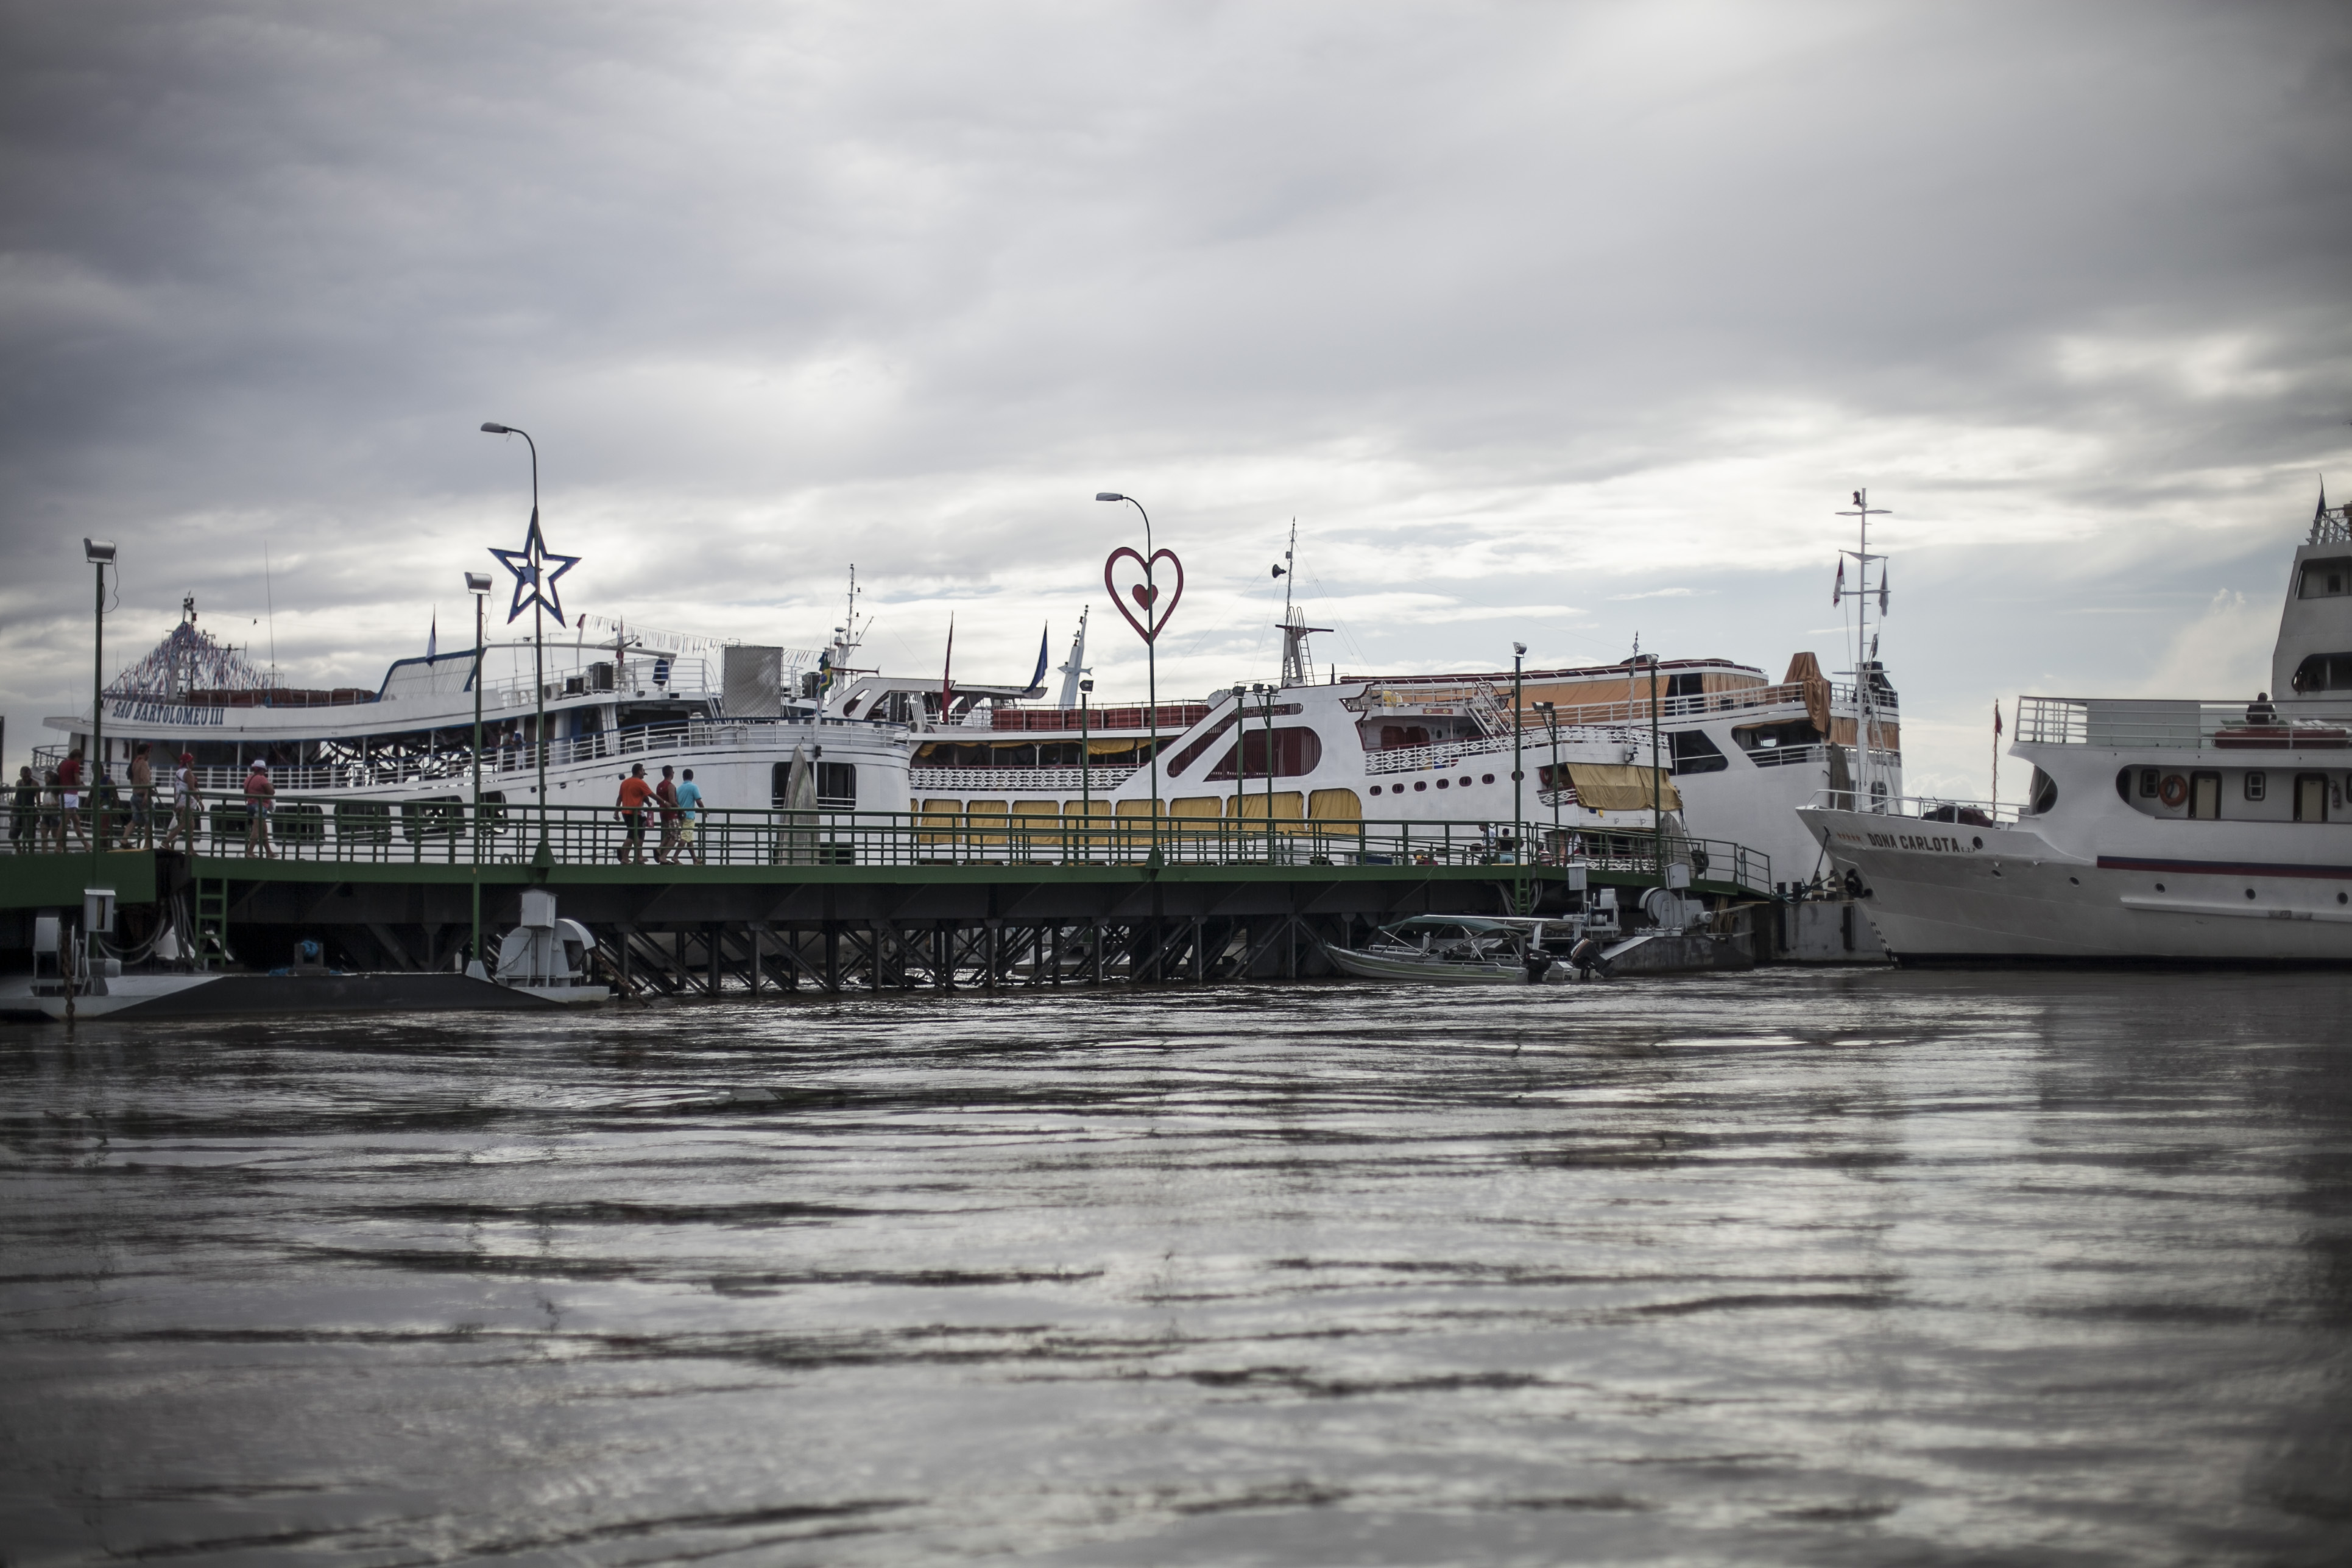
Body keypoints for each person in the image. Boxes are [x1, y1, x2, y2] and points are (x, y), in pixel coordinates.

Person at [615, 763, 654, 863]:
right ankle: (625, 855)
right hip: (634, 813)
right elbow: (650, 795)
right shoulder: (639, 782)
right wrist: (664, 803)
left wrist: (616, 812)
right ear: (639, 772)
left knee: (638, 833)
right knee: (633, 834)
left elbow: (620, 797)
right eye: (643, 772)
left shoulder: (625, 783)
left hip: (629, 812)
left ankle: (638, 855)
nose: (644, 775)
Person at [243, 759, 276, 858]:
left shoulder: (248, 779)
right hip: (260, 807)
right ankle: (249, 852)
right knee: (256, 830)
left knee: (264, 830)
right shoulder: (262, 779)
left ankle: (269, 852)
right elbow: (271, 792)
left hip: (250, 806)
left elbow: (246, 793)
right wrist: (270, 786)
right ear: (262, 770)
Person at [124, 743, 154, 849]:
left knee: (135, 819)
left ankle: (124, 839)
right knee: (149, 821)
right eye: (149, 752)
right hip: (142, 796)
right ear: (146, 752)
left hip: (135, 794)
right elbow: (145, 779)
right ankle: (147, 844)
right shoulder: (143, 763)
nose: (149, 754)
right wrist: (147, 794)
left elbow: (133, 779)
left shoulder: (134, 763)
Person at [171, 752, 202, 854]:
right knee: (183, 824)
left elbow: (176, 789)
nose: (194, 763)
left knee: (191, 826)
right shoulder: (188, 773)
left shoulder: (178, 772)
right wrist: (200, 802)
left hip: (180, 802)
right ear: (188, 762)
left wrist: (176, 803)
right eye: (192, 761)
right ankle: (166, 841)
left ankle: (190, 849)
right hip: (187, 803)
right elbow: (192, 789)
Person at [56, 748, 87, 851]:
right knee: (65, 822)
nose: (80, 762)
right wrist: (82, 785)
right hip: (71, 795)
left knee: (76, 822)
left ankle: (86, 844)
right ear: (77, 757)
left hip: (63, 794)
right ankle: (58, 846)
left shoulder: (63, 764)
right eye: (80, 759)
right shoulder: (74, 765)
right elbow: (77, 782)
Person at [675, 767, 705, 864]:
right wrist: (704, 811)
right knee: (685, 837)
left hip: (681, 817)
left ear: (683, 777)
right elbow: (698, 801)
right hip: (689, 816)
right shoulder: (693, 787)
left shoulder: (679, 789)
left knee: (690, 839)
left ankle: (695, 860)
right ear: (692, 777)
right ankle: (675, 857)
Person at [654, 765, 682, 864]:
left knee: (669, 835)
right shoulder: (671, 786)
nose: (674, 773)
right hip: (671, 814)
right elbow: (673, 802)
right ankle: (663, 856)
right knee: (676, 836)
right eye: (673, 772)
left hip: (662, 812)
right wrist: (681, 810)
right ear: (671, 774)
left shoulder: (659, 785)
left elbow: (658, 801)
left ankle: (659, 850)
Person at [9, 765, 35, 850]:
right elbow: (16, 797)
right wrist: (12, 811)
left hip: (29, 811)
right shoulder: (19, 783)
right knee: (13, 834)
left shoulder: (34, 783)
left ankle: (31, 854)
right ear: (21, 775)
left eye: (28, 776)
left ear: (30, 774)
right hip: (18, 811)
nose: (26, 779)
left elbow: (37, 799)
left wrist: (37, 812)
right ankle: (19, 851)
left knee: (29, 835)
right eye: (24, 777)